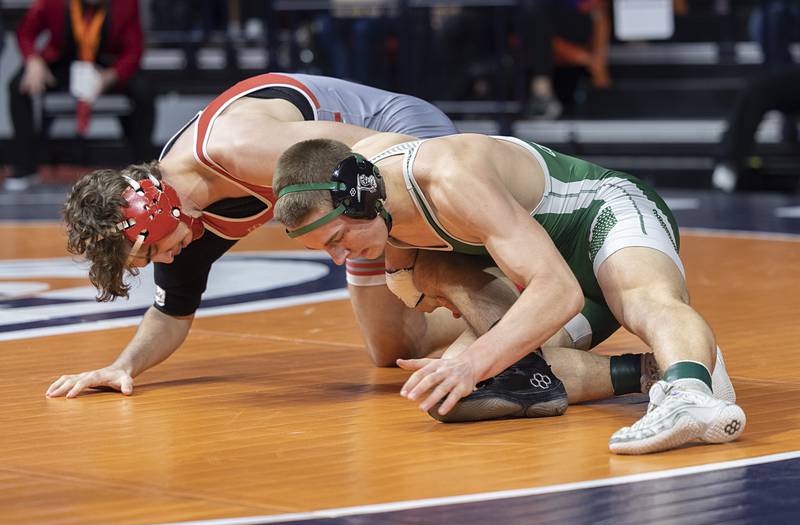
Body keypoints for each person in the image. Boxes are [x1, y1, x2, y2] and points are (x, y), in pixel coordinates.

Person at [271, 132, 746, 454]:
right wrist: (464, 355)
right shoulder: (363, 187)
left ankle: (688, 395)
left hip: (598, 215)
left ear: (358, 196)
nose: (340, 259)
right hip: (538, 272)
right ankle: (657, 368)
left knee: (642, 299)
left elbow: (559, 293)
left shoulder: (449, 178)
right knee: (459, 395)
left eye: (337, 241)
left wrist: (471, 358)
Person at [46, 72, 462, 399]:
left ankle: (507, 333)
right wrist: (122, 366)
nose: (166, 261)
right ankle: (497, 314)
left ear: (151, 213)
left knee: (426, 269)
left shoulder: (235, 147)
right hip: (345, 199)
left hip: (392, 138)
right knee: (392, 348)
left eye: (153, 250)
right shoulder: (181, 224)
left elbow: (375, 150)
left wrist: (440, 213)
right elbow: (171, 313)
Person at [6, 0, 154, 191]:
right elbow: (25, 31)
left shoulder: (127, 4)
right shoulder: (51, 3)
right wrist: (33, 60)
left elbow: (134, 50)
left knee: (144, 89)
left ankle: (142, 171)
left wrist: (111, 76)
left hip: (106, 64)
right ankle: (25, 167)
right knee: (19, 86)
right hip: (62, 63)